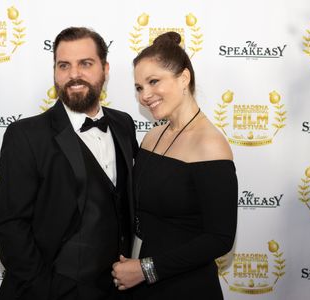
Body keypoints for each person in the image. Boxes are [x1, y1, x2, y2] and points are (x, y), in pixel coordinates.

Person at [0, 26, 139, 300]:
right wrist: (46, 288)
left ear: (105, 70)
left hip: (115, 288)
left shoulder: (123, 124)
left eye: (86, 64)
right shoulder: (26, 136)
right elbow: (9, 227)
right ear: (55, 72)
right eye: (64, 65)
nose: (74, 75)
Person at [111, 32, 238, 299]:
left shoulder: (211, 145)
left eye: (153, 81)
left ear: (183, 78)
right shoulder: (152, 137)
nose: (145, 95)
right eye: (139, 87)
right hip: (138, 284)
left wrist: (146, 269)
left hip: (185, 287)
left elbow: (220, 238)